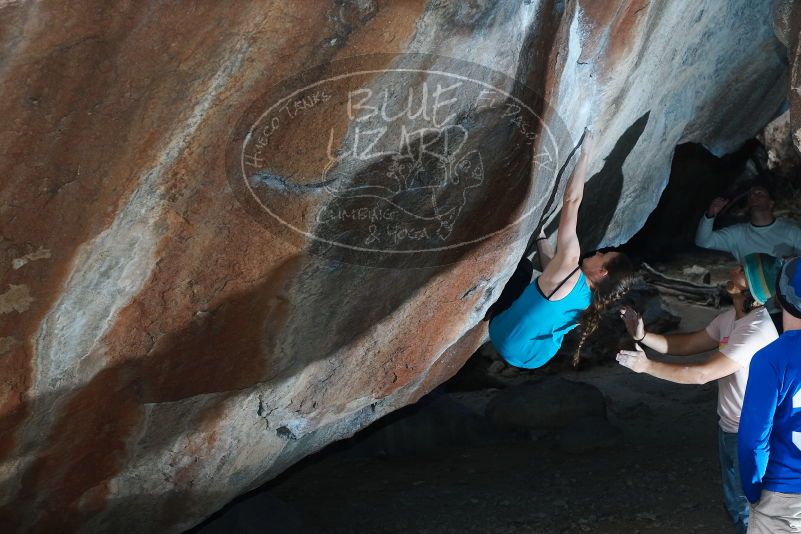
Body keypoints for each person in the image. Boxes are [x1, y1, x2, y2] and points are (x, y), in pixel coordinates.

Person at [616, 253, 782, 534]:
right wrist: (643, 336)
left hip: (753, 433)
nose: (733, 270)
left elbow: (703, 373)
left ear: (753, 285)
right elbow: (689, 344)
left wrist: (647, 366)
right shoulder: (730, 318)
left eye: (742, 270)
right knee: (737, 502)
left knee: (750, 505)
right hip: (731, 427)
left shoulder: (756, 331)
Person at [488, 129, 635, 369]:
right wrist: (540, 234)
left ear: (602, 272)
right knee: (543, 283)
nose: (597, 252)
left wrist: (585, 153)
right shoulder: (593, 303)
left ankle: (488, 307)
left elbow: (572, 201)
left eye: (603, 255)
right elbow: (554, 276)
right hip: (536, 358)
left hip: (504, 338)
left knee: (523, 268)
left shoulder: (570, 260)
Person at [738, 256, 801, 533]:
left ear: (781, 296)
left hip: (783, 498)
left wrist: (753, 493)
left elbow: (753, 441)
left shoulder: (771, 358)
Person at [696, 185, 801, 263]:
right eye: (750, 194)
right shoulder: (737, 234)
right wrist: (710, 215)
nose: (753, 196)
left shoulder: (790, 230)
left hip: (786, 290)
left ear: (771, 203)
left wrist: (792, 261)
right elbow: (704, 241)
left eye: (760, 193)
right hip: (753, 291)